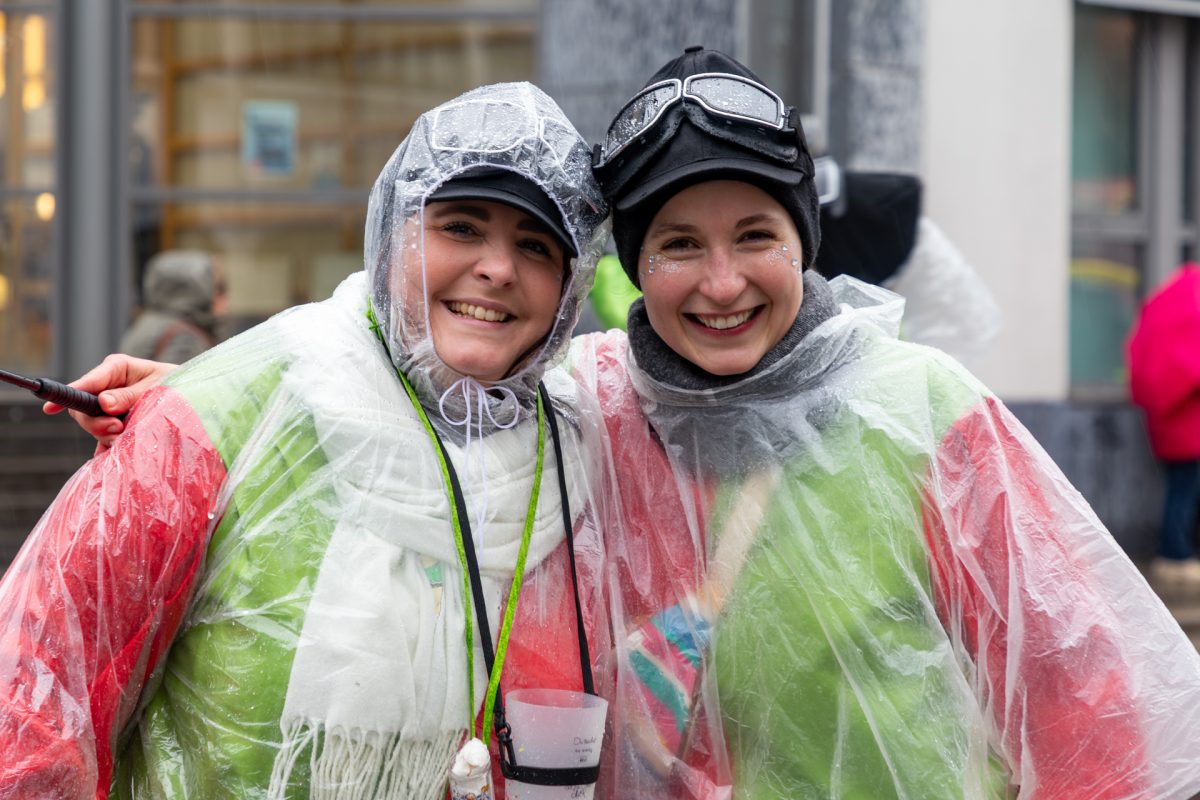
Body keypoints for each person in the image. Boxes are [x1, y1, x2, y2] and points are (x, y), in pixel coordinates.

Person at [50, 49, 1200, 799]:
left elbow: (1092, 700)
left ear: (806, 243)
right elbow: (418, 388)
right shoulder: (597, 401)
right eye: (676, 245)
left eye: (754, 232)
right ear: (633, 271)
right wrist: (204, 399)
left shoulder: (924, 411)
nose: (721, 282)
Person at [2, 81, 613, 799]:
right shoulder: (225, 420)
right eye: (461, 227)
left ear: (569, 289)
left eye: (536, 246)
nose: (499, 268)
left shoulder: (584, 450)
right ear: (393, 233)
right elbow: (34, 699)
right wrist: (220, 389)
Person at [1128, 261, 1200, 587]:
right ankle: (1175, 554)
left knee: (1179, 492)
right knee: (1183, 494)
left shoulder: (1163, 319)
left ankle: (1177, 553)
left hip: (1170, 433)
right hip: (1190, 434)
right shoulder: (1189, 337)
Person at [119, 249, 226, 363]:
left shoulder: (146, 323)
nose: (225, 298)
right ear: (198, 290)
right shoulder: (184, 339)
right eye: (219, 288)